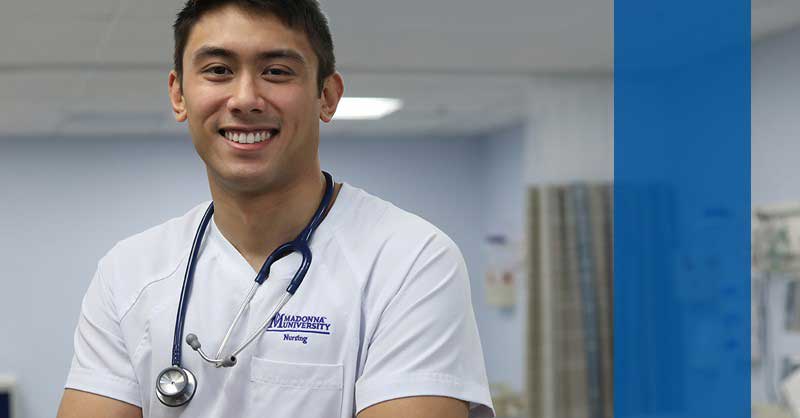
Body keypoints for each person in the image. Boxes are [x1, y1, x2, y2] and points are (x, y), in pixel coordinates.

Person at [56, 1, 494, 417]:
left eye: (277, 71)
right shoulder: (128, 272)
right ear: (179, 94)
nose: (245, 98)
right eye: (218, 70)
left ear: (327, 95)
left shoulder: (410, 261)